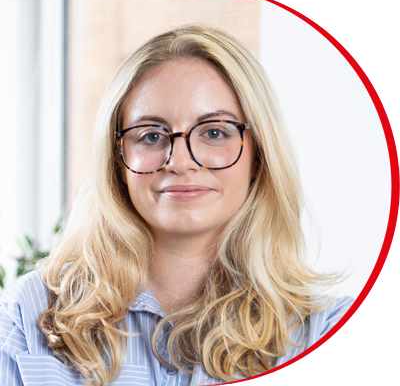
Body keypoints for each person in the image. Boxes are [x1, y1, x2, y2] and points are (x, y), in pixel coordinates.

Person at [0, 24, 353, 386]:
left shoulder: (330, 331)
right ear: (118, 161)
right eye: (151, 135)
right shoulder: (23, 320)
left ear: (259, 156)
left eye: (214, 132)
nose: (180, 162)